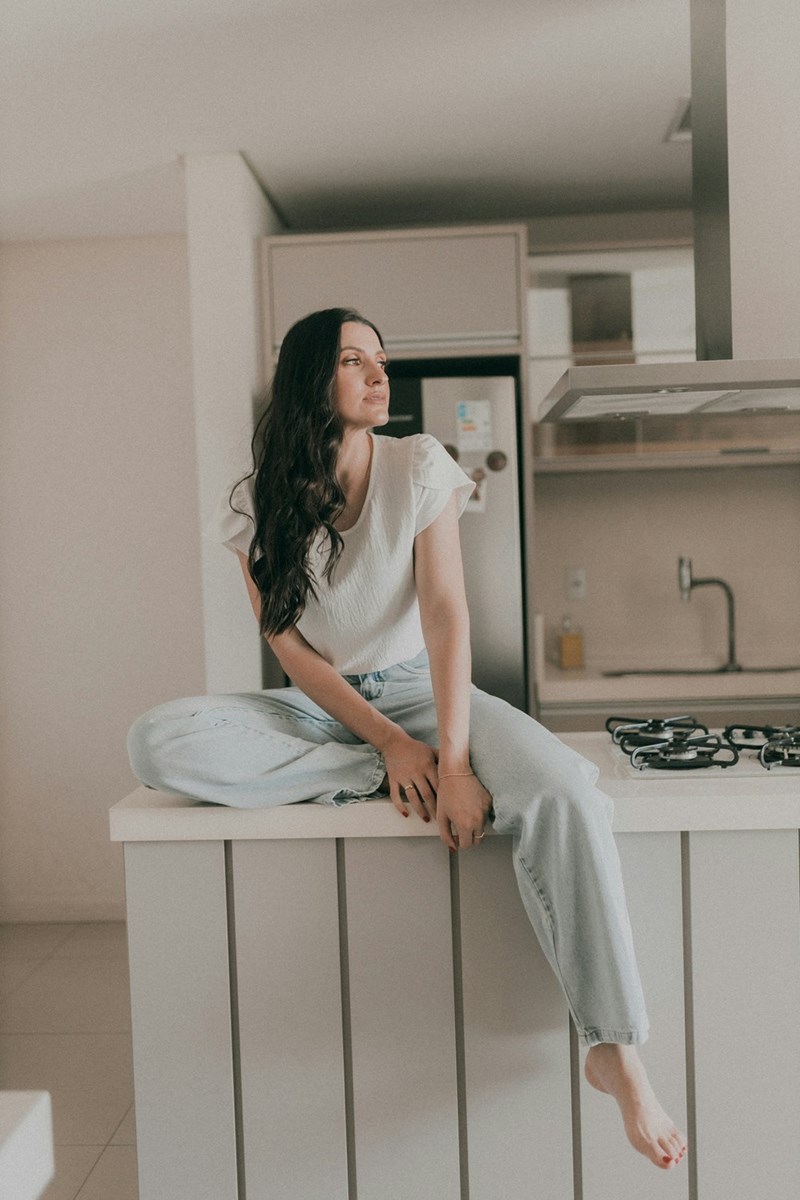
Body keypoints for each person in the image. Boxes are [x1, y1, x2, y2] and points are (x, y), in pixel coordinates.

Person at [128, 307, 687, 1170]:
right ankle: (382, 767)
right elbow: (289, 648)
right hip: (328, 712)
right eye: (355, 360)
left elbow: (445, 614)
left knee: (569, 791)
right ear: (314, 379)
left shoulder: (419, 463)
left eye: (381, 360)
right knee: (157, 744)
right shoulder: (251, 505)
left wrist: (452, 758)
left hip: (433, 694)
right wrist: (388, 746)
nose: (379, 375)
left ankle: (614, 1048)